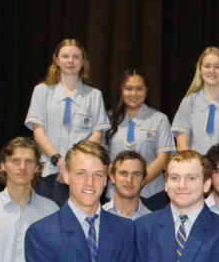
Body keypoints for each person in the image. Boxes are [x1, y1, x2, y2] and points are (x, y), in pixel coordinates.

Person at [25, 38, 110, 206]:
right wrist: (59, 161)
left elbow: (97, 134)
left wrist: (73, 162)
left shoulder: (94, 95)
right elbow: (38, 131)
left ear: (83, 61)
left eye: (76, 57)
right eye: (65, 56)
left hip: (82, 173)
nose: (70, 61)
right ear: (56, 60)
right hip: (49, 171)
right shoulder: (42, 91)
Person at [106, 70, 174, 211]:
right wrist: (122, 183)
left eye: (139, 89)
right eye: (129, 88)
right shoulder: (108, 119)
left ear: (146, 90)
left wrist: (138, 181)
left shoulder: (159, 119)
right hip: (115, 195)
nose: (134, 93)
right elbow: (104, 157)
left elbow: (163, 158)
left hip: (151, 196)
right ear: (121, 90)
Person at [173, 46, 219, 154]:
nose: (212, 71)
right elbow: (181, 143)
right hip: (195, 163)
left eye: (217, 67)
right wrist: (194, 162)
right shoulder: (189, 102)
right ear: (200, 70)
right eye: (207, 66)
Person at [102, 150, 152, 220]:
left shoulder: (152, 221)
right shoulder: (98, 216)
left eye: (136, 174)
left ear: (143, 180)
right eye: (123, 173)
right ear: (112, 177)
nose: (129, 180)